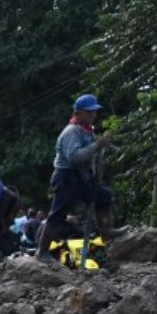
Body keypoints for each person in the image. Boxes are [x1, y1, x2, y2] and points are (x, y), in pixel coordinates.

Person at [37, 93, 112, 260]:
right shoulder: (72, 131)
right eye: (89, 112)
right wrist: (97, 145)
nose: (93, 115)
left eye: (95, 112)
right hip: (67, 176)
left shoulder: (87, 131)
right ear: (78, 113)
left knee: (104, 196)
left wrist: (99, 146)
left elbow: (91, 152)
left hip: (82, 176)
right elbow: (75, 157)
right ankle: (42, 251)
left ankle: (106, 232)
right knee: (58, 214)